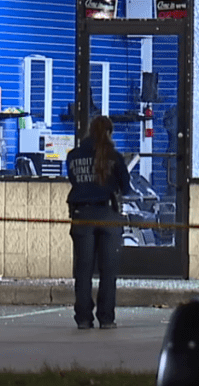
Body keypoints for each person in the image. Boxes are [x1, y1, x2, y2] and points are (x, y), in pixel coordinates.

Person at [66, 116, 131, 330]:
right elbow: (126, 187)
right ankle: (106, 318)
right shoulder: (115, 157)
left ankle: (84, 318)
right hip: (108, 214)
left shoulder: (73, 156)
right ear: (109, 133)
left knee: (83, 271)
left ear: (89, 131)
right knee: (108, 271)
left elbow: (74, 180)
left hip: (82, 214)